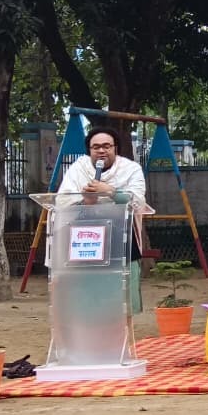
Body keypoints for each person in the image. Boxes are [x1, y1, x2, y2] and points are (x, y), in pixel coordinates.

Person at [57, 125, 148, 314]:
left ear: (116, 148)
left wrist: (111, 192)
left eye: (107, 146)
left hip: (122, 240)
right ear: (89, 150)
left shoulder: (131, 169)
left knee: (124, 304)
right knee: (89, 304)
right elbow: (62, 201)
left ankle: (125, 331)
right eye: (96, 147)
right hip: (86, 242)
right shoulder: (78, 169)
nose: (101, 151)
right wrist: (85, 201)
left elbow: (138, 201)